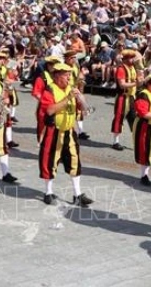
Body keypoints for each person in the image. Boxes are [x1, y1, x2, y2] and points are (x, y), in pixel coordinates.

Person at [38, 63, 93, 207]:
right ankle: (48, 192)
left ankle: (77, 194)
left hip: (69, 130)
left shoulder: (70, 88)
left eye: (69, 74)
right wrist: (68, 98)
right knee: (50, 161)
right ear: (57, 76)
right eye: (65, 74)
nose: (69, 77)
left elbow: (80, 106)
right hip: (53, 131)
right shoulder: (50, 90)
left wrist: (81, 99)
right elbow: (50, 110)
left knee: (75, 161)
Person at [110, 49, 139, 151]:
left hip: (132, 97)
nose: (133, 60)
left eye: (133, 58)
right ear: (126, 59)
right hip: (122, 96)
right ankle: (115, 141)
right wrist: (136, 83)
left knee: (135, 120)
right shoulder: (121, 69)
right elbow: (122, 85)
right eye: (131, 58)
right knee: (119, 118)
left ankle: (137, 142)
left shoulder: (133, 67)